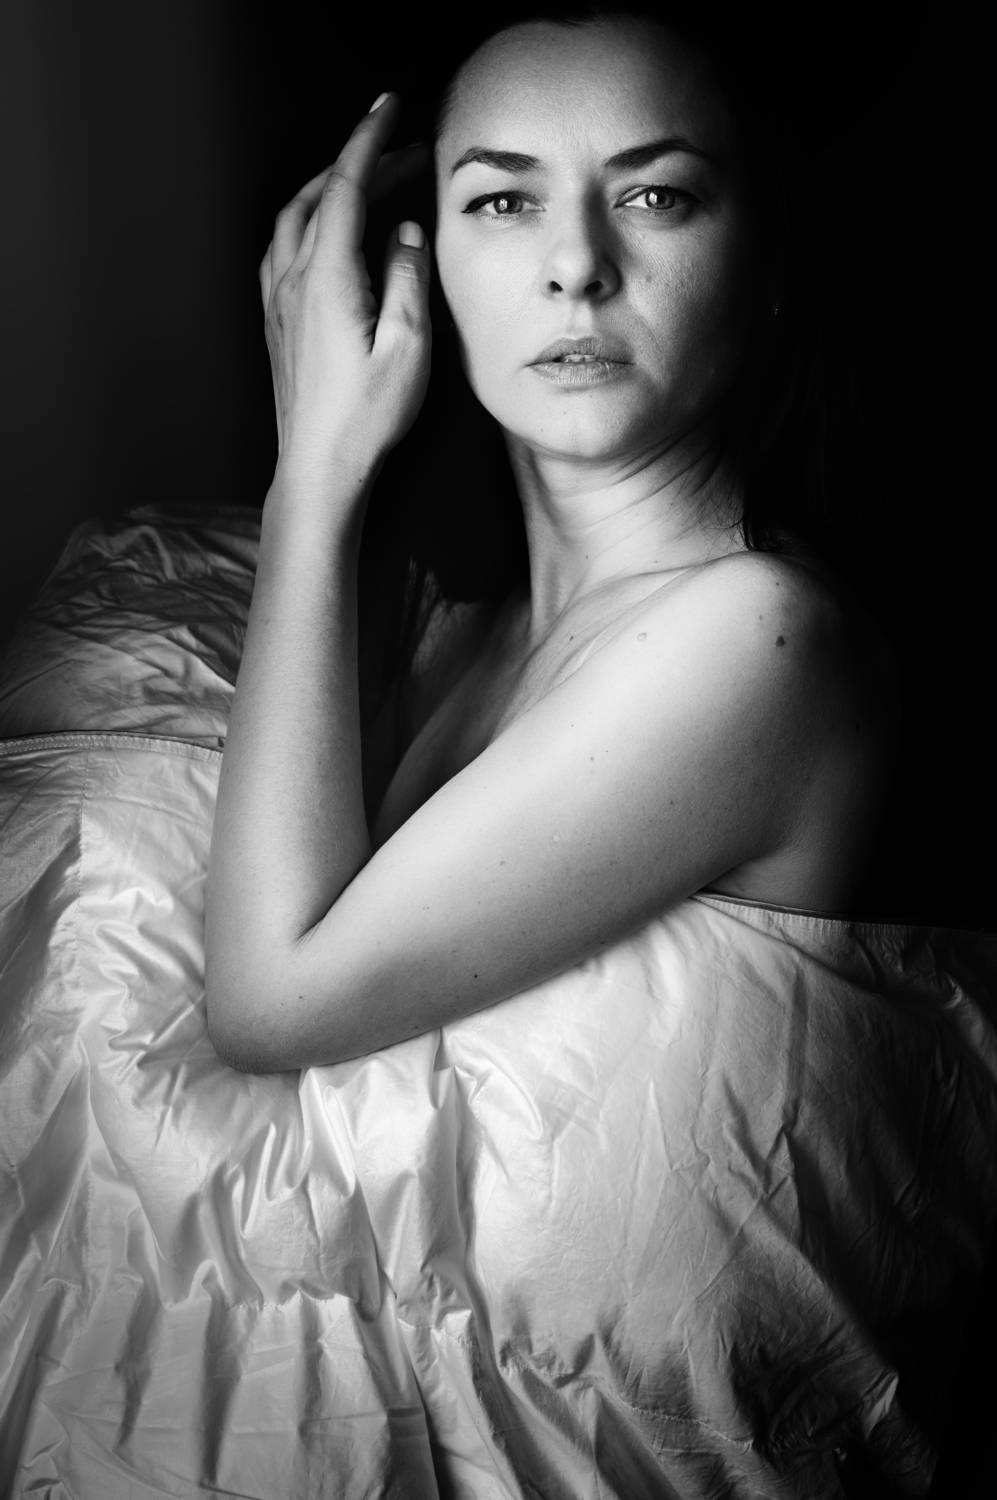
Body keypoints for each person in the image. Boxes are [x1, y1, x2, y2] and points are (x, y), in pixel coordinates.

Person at [204, 2, 895, 1071]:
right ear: (417, 266)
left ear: (759, 262)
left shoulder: (761, 636)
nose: (577, 264)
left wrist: (317, 468)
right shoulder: (457, 634)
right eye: (504, 200)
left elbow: (267, 1009)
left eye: (656, 196)